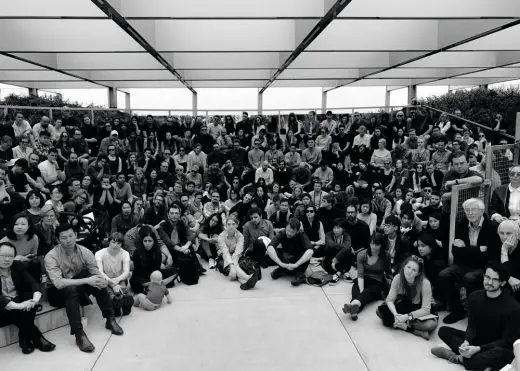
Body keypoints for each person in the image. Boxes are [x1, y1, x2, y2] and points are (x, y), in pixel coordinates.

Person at [44, 224, 124, 353]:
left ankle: (110, 319)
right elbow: (58, 283)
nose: (68, 240)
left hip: (77, 287)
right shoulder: (51, 256)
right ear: (58, 240)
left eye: (71, 236)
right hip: (57, 292)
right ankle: (79, 334)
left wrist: (104, 282)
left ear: (76, 235)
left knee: (96, 280)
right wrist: (88, 280)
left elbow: (95, 271)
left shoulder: (84, 251)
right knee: (73, 288)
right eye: (64, 238)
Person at [432, 262, 520, 371]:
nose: (489, 282)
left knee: (502, 354)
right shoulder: (474, 297)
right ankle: (479, 362)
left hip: (497, 347)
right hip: (478, 340)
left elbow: (507, 341)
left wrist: (479, 349)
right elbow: (471, 326)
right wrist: (467, 342)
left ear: (502, 283)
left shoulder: (513, 307)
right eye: (487, 277)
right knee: (443, 331)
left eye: (495, 279)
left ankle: (457, 358)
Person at [440, 198, 501, 324]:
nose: (470, 213)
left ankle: (475, 313)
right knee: (444, 275)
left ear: (481, 211)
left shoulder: (492, 227)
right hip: (463, 264)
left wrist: (466, 250)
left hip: (484, 267)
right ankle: (457, 311)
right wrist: (478, 250)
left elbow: (491, 254)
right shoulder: (461, 224)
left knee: (470, 278)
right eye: (467, 210)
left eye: (473, 210)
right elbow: (455, 251)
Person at [0, 242, 56, 354]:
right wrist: (19, 306)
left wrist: (34, 301)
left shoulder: (16, 265)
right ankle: (36, 337)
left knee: (29, 297)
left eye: (10, 256)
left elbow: (33, 283)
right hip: (2, 308)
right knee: (19, 310)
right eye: (2, 255)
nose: (7, 259)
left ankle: (24, 338)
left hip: (18, 302)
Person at [376, 255, 438, 340]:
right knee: (379, 311)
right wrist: (396, 314)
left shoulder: (425, 283)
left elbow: (426, 309)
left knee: (429, 325)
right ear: (404, 266)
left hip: (420, 309)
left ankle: (406, 327)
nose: (409, 271)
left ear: (418, 273)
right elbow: (390, 300)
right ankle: (407, 327)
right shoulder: (398, 278)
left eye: (414, 270)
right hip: (405, 304)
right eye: (408, 267)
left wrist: (406, 317)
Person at [343, 232, 391, 321]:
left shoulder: (386, 255)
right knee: (359, 291)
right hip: (363, 279)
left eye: (377, 244)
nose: (374, 246)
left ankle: (352, 305)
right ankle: (354, 309)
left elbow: (388, 271)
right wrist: (362, 292)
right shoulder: (362, 254)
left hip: (377, 282)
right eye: (372, 243)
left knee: (368, 291)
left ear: (382, 245)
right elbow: (360, 274)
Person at [130, 225, 178, 294]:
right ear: (142, 241)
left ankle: (154, 286)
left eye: (150, 241)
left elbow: (157, 269)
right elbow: (138, 272)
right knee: (133, 281)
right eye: (145, 241)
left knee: (174, 270)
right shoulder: (137, 252)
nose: (147, 243)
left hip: (154, 276)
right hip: (142, 277)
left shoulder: (157, 252)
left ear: (153, 241)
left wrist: (156, 278)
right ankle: (159, 285)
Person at [267, 218, 314, 287]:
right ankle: (282, 269)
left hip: (298, 262)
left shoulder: (301, 235)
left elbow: (310, 251)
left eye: (292, 232)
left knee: (307, 252)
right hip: (285, 261)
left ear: (297, 231)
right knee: (273, 250)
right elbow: (270, 247)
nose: (289, 233)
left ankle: (299, 275)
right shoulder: (282, 233)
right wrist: (280, 263)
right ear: (285, 227)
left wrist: (296, 264)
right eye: (288, 230)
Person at [217, 216, 260, 290]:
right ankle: (247, 278)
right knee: (230, 268)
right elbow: (225, 253)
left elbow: (237, 253)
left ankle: (243, 283)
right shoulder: (221, 236)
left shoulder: (240, 236)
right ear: (226, 226)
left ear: (237, 225)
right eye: (229, 224)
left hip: (236, 257)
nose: (231, 226)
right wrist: (232, 266)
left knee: (235, 270)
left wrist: (234, 266)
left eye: (233, 224)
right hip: (224, 258)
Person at [95, 233, 133, 316]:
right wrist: (112, 284)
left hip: (120, 278)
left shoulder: (125, 253)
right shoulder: (99, 253)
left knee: (122, 290)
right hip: (105, 279)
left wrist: (117, 280)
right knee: (109, 292)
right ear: (109, 242)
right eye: (113, 242)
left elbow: (126, 272)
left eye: (118, 243)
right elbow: (100, 272)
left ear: (121, 244)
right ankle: (115, 303)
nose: (115, 245)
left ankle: (125, 303)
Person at [0, 213, 40, 281]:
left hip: (27, 268)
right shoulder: (3, 242)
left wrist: (27, 259)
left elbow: (34, 256)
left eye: (23, 224)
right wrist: (16, 259)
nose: (19, 227)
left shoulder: (33, 238)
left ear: (28, 226)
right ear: (12, 226)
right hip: (8, 271)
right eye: (16, 224)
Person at [498, 220, 520, 303]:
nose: (504, 237)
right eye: (501, 233)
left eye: (508, 233)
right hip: (502, 284)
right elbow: (491, 267)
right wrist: (504, 249)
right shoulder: (497, 245)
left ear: (517, 235)